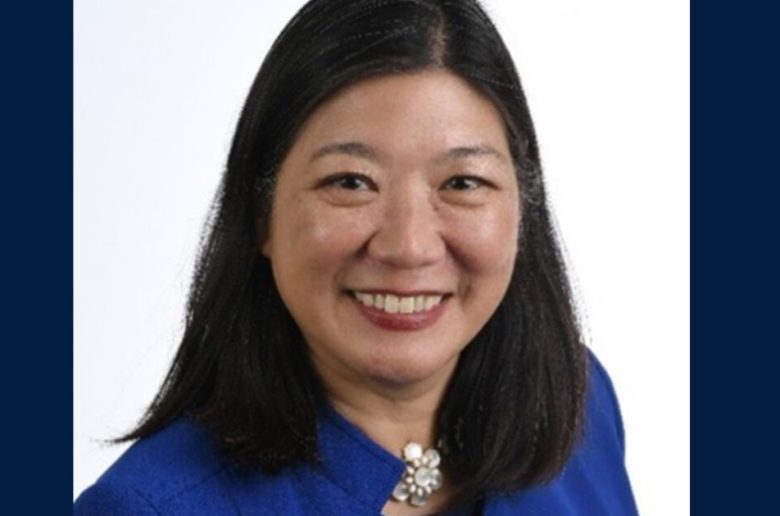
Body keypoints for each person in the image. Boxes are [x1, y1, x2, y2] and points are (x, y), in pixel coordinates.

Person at [74, 0, 638, 514]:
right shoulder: (149, 508)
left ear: (523, 208)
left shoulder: (577, 404)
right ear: (261, 214)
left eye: (463, 182)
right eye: (351, 182)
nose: (409, 246)